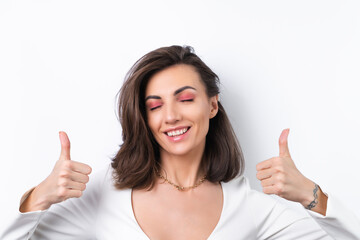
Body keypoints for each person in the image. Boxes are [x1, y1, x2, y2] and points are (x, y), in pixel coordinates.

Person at [1, 45, 359, 240]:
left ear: (212, 105)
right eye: (154, 106)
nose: (170, 116)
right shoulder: (103, 200)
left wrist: (312, 195)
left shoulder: (250, 208)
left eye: (185, 99)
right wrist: (39, 197)